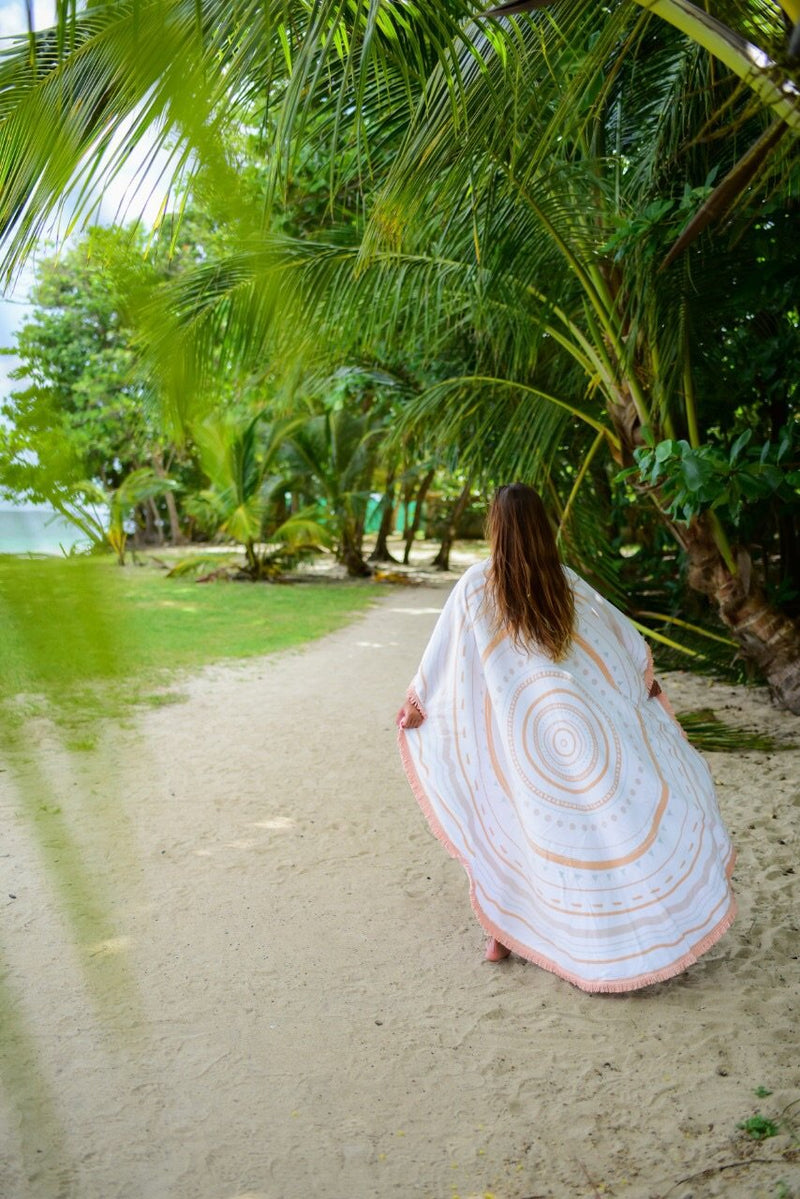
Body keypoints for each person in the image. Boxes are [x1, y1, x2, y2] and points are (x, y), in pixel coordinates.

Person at [396, 483, 736, 993]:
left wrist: (418, 702)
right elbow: (617, 639)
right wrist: (643, 682)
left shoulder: (475, 585)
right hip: (576, 733)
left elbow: (444, 655)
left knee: (510, 828)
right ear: (541, 526)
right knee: (587, 837)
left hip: (519, 739)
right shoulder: (566, 583)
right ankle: (609, 932)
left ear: (497, 527)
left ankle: (501, 938)